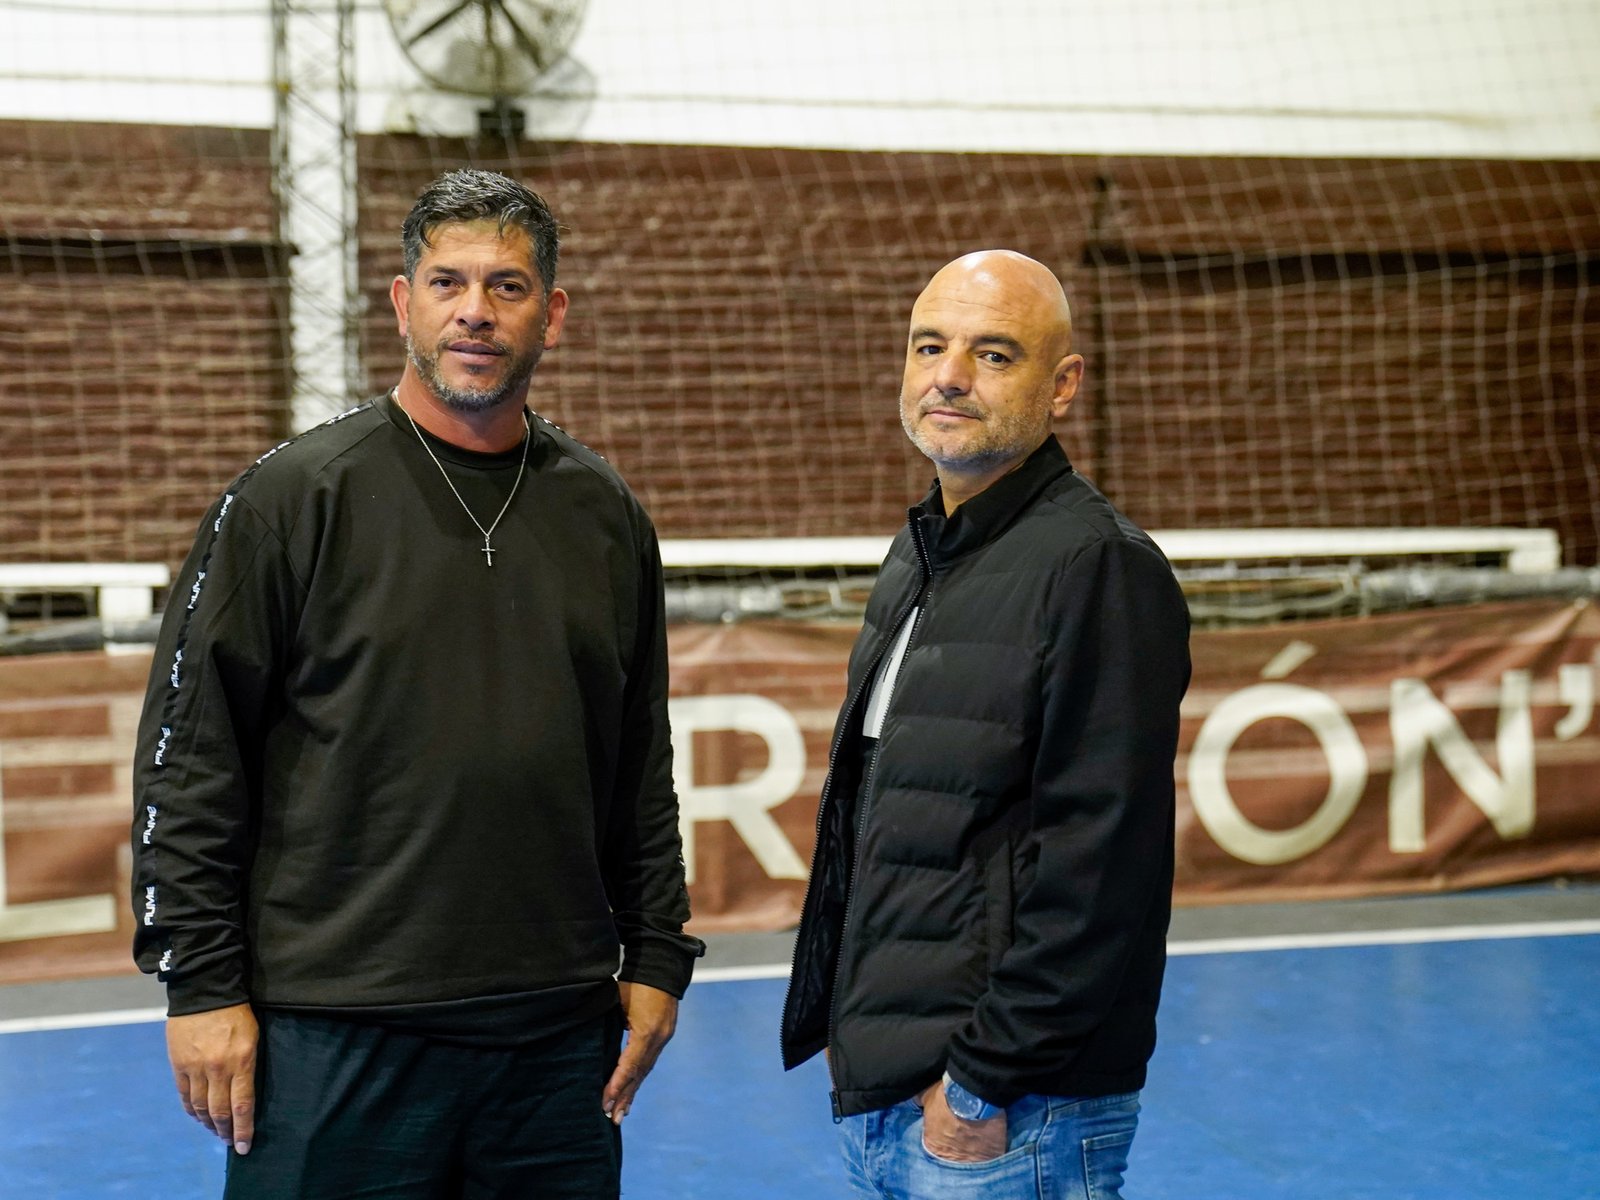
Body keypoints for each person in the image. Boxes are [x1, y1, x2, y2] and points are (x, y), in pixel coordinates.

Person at [130, 168, 702, 1199]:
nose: (475, 311)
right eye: (447, 283)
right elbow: (190, 760)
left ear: (552, 315)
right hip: (333, 1035)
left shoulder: (606, 516)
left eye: (507, 286)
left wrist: (658, 954)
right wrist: (200, 983)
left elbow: (637, 764)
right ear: (404, 303)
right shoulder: (288, 500)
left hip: (555, 1040)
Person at [780, 250, 1191, 1199]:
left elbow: (1101, 867)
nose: (950, 376)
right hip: (892, 1089)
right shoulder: (922, 550)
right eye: (930, 346)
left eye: (994, 354)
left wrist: (979, 1082)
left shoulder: (1099, 567)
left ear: (1063, 385)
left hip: (1008, 1114)